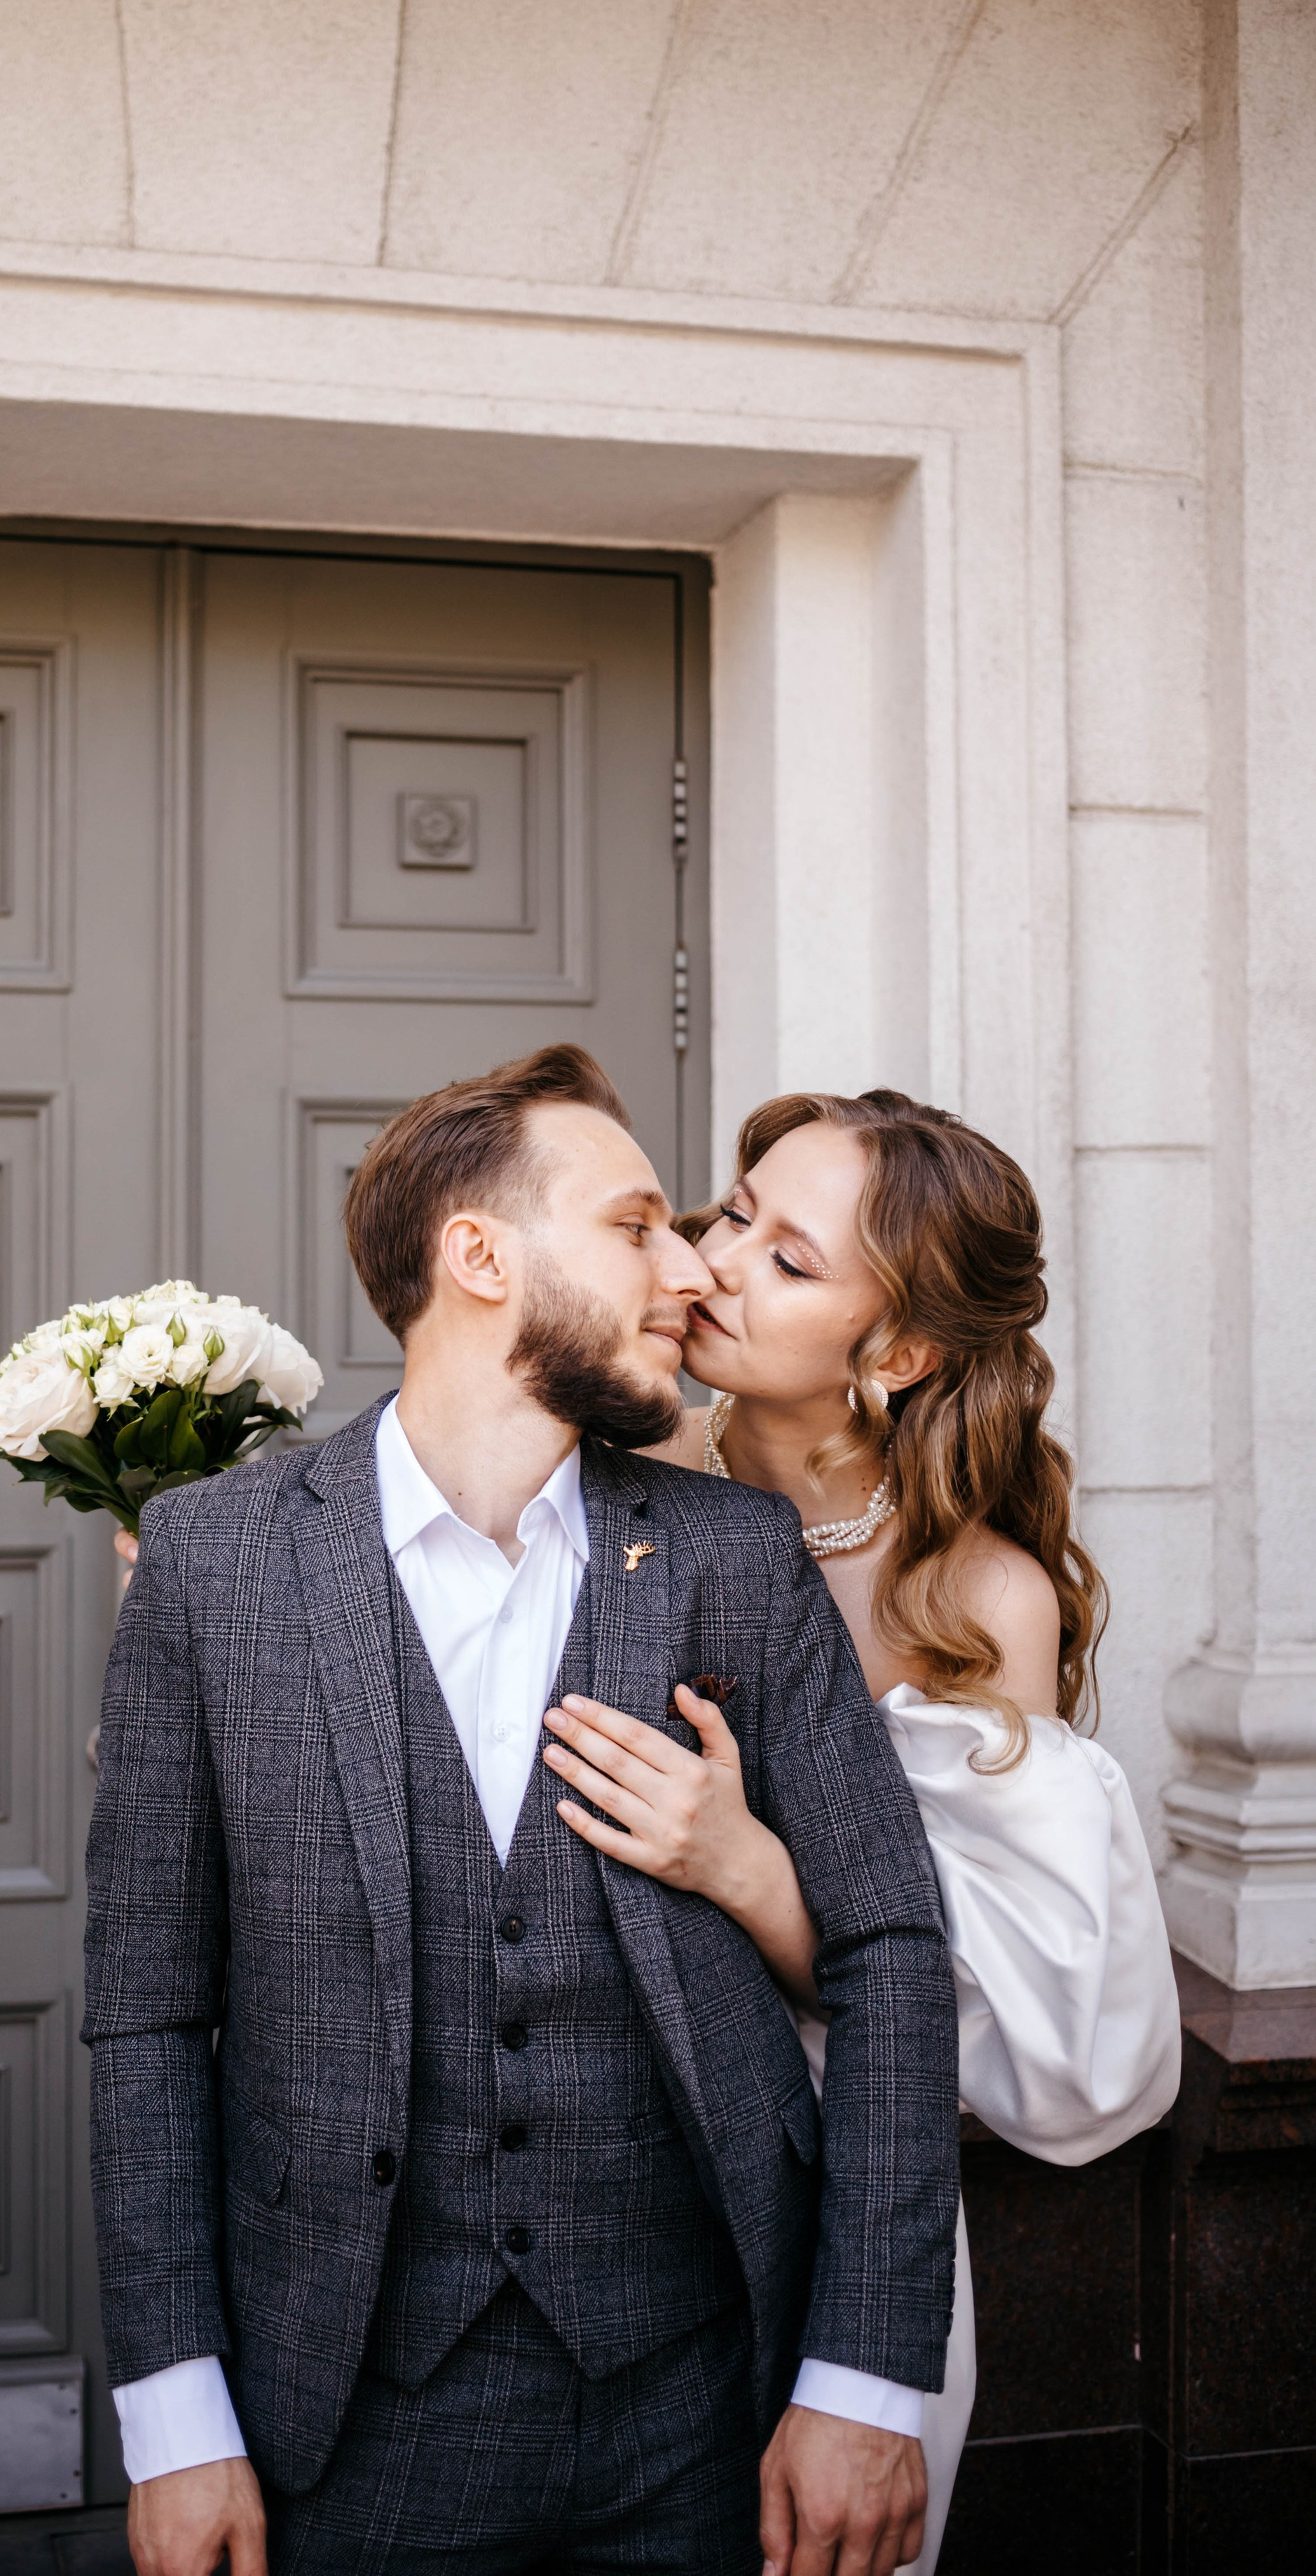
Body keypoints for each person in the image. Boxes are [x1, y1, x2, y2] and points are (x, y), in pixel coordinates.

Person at [83, 1045, 960, 2576]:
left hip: (703, 2411)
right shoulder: (211, 1568)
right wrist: (175, 2422)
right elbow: (148, 2011)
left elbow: (891, 1950)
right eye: (635, 1226)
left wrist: (864, 2383)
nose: (687, 1267)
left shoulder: (733, 1558)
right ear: (477, 1257)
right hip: (348, 2415)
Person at [538, 1090, 1182, 2576]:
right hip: (581, 2158)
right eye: (732, 1212)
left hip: (843, 2191)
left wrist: (750, 1871)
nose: (710, 1259)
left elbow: (984, 2007)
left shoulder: (978, 1605)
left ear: (891, 1353)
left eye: (786, 1257)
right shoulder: (598, 1486)